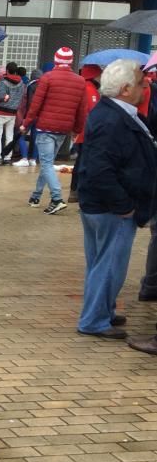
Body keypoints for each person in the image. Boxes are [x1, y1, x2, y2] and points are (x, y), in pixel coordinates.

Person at [75, 60, 157, 341]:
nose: (145, 87)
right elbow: (100, 168)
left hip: (104, 204)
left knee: (101, 262)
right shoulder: (112, 119)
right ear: (125, 89)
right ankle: (95, 319)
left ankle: (102, 310)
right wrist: (124, 205)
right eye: (140, 83)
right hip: (111, 207)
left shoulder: (115, 113)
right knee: (110, 265)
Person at [20, 47, 88, 215]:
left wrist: (26, 123)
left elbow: (36, 104)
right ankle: (36, 196)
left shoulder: (47, 78)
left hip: (45, 127)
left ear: (56, 60)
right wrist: (77, 129)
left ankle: (57, 198)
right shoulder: (80, 81)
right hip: (64, 129)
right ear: (71, 61)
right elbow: (82, 109)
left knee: (46, 164)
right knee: (47, 163)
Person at [66, 64, 102, 198]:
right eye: (99, 74)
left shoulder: (84, 87)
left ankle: (75, 191)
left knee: (81, 161)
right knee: (83, 162)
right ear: (94, 76)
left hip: (83, 131)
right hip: (88, 132)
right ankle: (77, 191)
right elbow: (93, 113)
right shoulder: (90, 89)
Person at [0, 61, 23, 166]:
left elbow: (0, 96)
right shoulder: (21, 83)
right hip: (13, 113)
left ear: (7, 71)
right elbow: (20, 97)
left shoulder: (2, 82)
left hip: (1, 111)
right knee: (10, 135)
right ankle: (8, 157)